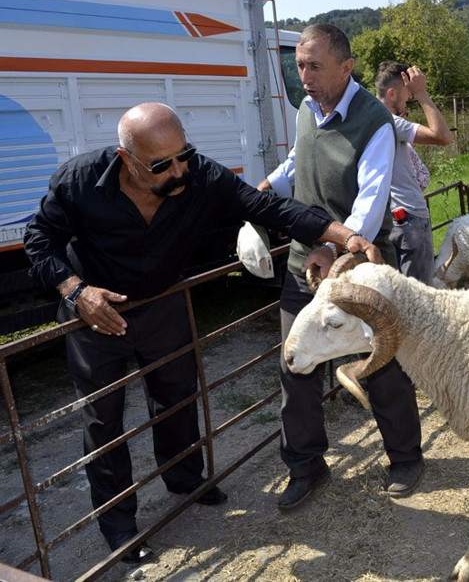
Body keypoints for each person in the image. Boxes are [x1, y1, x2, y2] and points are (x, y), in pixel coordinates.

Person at [23, 102, 380, 564]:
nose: (178, 170)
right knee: (103, 419)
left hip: (163, 300)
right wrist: (76, 291)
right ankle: (118, 525)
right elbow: (39, 239)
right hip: (98, 310)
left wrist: (342, 235)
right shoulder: (78, 181)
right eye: (161, 164)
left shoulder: (200, 176)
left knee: (177, 394)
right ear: (126, 158)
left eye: (183, 155)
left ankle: (185, 479)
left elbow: (269, 205)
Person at [256, 24, 424, 511]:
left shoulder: (376, 121)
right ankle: (306, 466)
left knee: (381, 363)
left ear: (346, 68)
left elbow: (372, 202)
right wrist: (263, 190)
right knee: (295, 362)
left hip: (359, 265)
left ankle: (406, 458)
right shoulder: (308, 110)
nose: (303, 76)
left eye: (313, 66)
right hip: (300, 263)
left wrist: (336, 249)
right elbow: (296, 162)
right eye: (299, 66)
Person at [375, 61, 453, 284]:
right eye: (407, 92)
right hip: (409, 218)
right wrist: (422, 93)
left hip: (390, 219)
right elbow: (443, 136)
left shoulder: (367, 118)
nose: (409, 98)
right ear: (391, 93)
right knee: (418, 296)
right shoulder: (390, 121)